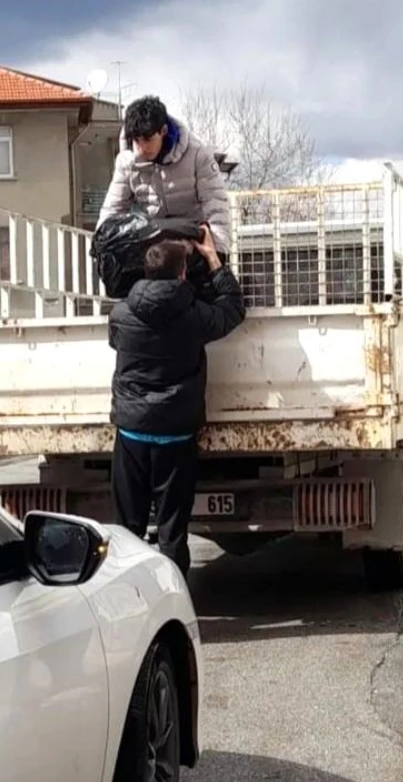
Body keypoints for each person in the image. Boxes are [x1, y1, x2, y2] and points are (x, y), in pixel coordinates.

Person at [108, 227, 246, 575]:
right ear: (184, 273)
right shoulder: (195, 317)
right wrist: (213, 258)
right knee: (172, 532)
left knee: (127, 532)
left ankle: (132, 605)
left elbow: (115, 342)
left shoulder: (122, 316)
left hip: (132, 433)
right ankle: (174, 603)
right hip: (175, 436)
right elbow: (233, 308)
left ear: (146, 271)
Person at [98, 95, 231, 255]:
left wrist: (218, 252)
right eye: (136, 140)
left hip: (194, 241)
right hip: (154, 243)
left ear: (163, 131)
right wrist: (101, 247)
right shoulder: (127, 161)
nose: (141, 147)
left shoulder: (197, 153)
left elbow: (215, 204)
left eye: (147, 139)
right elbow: (113, 208)